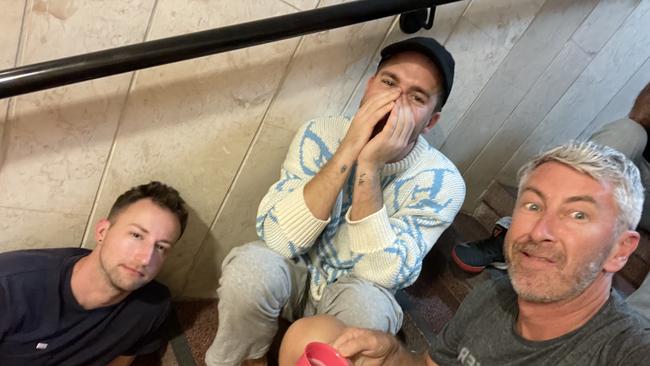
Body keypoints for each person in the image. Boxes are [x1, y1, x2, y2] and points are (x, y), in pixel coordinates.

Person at [205, 37, 466, 366]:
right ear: (368, 87)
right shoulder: (320, 132)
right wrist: (349, 148)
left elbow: (385, 275)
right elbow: (279, 239)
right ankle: (247, 358)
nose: (394, 104)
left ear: (430, 121)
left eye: (416, 97)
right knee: (248, 269)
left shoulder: (443, 182)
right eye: (388, 83)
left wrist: (369, 166)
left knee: (369, 310)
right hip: (298, 267)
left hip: (359, 287)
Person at [279, 141, 650, 365]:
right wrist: (391, 355)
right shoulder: (494, 295)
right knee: (312, 334)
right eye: (534, 205)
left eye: (578, 214)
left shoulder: (623, 350)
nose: (541, 231)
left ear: (620, 250)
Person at [452, 82, 650, 315]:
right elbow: (638, 117)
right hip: (640, 176)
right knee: (628, 132)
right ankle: (522, 238)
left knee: (632, 334)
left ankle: (629, 337)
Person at [0, 181, 188, 366]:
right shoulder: (10, 285)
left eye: (161, 247)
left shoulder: (152, 306)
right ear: (102, 231)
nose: (145, 259)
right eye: (136, 235)